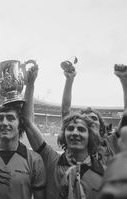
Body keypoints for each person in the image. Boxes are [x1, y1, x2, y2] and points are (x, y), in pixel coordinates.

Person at [24, 64, 103, 199]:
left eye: (81, 129)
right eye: (70, 128)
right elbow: (27, 122)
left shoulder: (103, 174)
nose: (75, 132)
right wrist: (30, 84)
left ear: (90, 136)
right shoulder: (51, 159)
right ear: (63, 135)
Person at [60, 61, 124, 165]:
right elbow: (65, 111)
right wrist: (69, 79)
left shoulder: (110, 142)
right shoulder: (75, 141)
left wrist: (124, 81)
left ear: (101, 127)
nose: (90, 120)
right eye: (86, 119)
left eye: (94, 118)